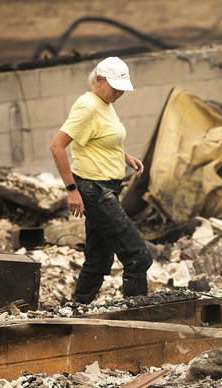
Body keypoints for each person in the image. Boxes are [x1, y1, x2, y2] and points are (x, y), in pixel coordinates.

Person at [50, 56, 152, 304]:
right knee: (138, 256)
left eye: (122, 90)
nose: (119, 93)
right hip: (95, 190)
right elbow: (57, 146)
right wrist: (71, 190)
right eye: (115, 88)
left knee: (98, 258)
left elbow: (100, 140)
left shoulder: (105, 103)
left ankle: (77, 307)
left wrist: (125, 157)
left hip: (106, 189)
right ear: (99, 80)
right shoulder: (88, 106)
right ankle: (137, 314)